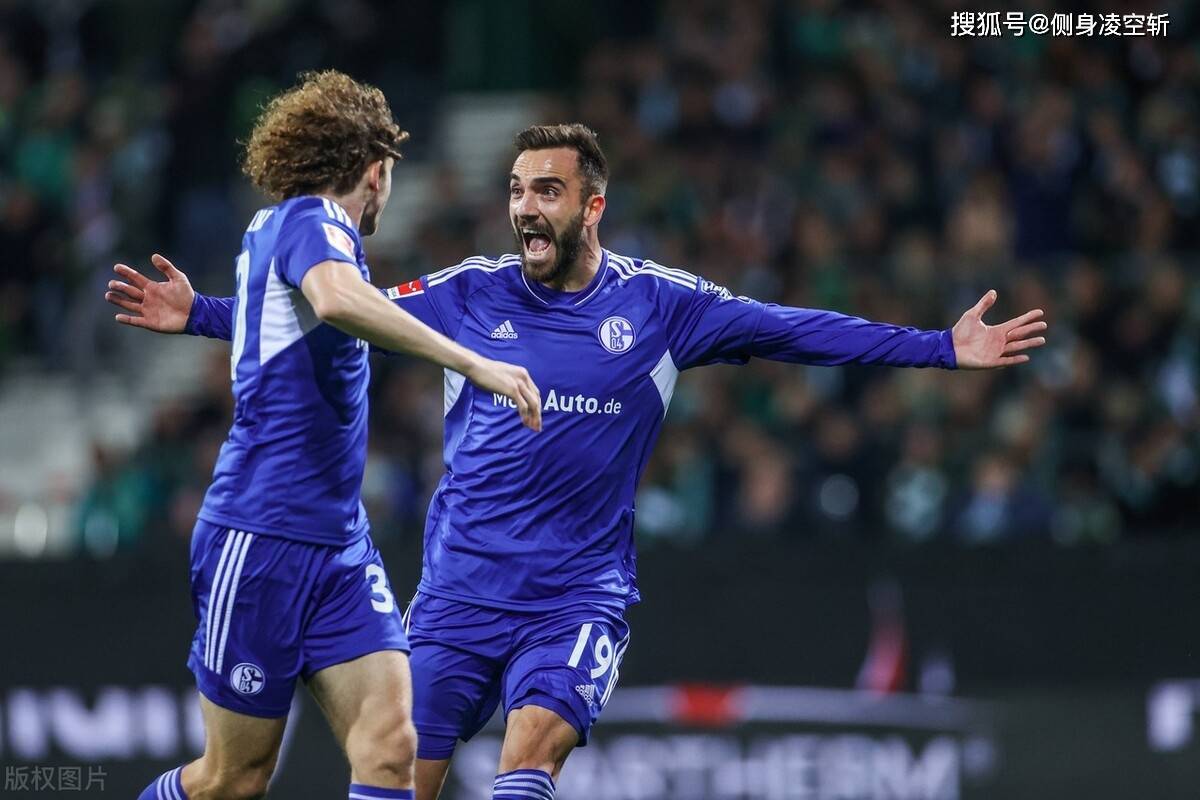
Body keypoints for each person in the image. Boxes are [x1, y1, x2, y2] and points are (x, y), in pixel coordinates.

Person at [107, 123, 1046, 800]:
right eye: (517, 190)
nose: (525, 208)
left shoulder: (661, 307)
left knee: (530, 756)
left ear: (593, 205)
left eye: (546, 192)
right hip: (456, 598)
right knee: (395, 775)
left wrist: (938, 348)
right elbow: (339, 308)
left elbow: (792, 329)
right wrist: (202, 316)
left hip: (575, 598)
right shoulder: (468, 293)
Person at [108, 72, 541, 800]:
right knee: (233, 780)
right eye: (390, 172)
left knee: (391, 749)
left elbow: (291, 319)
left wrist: (203, 313)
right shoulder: (318, 221)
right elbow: (336, 301)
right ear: (374, 169)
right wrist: (473, 362)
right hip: (261, 536)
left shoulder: (274, 225)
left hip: (338, 546)